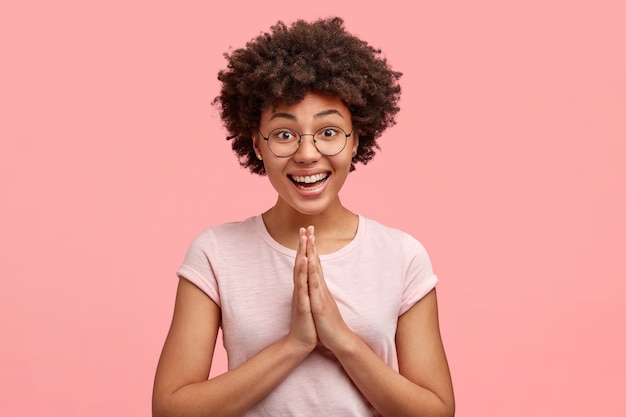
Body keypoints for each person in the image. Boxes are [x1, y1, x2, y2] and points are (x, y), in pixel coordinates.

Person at [152, 17, 455, 417]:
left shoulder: (401, 256)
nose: (307, 154)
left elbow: (436, 412)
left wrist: (341, 339)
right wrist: (294, 344)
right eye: (284, 134)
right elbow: (170, 409)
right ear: (257, 144)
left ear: (357, 138)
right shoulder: (215, 253)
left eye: (329, 132)